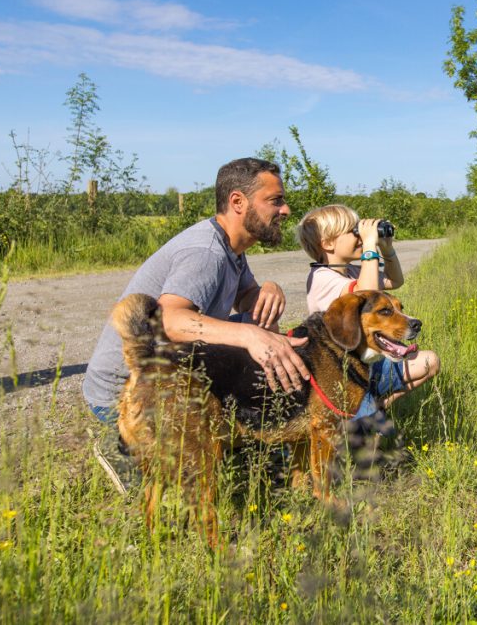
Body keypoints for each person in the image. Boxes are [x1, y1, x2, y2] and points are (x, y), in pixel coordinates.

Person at [84, 157, 311, 493]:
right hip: (125, 392)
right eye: (275, 200)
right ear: (238, 202)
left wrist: (266, 291)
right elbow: (171, 319)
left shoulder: (231, 246)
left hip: (169, 373)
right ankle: (123, 446)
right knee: (193, 483)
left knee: (260, 331)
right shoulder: (206, 252)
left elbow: (247, 296)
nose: (286, 209)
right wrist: (251, 335)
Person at [297, 204, 439, 420]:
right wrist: (370, 245)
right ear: (327, 243)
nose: (361, 237)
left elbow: (395, 280)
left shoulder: (354, 270)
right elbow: (367, 293)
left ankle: (375, 407)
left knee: (430, 361)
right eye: (353, 232)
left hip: (365, 360)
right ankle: (359, 415)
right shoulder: (321, 278)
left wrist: (386, 248)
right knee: (363, 438)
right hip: (340, 373)